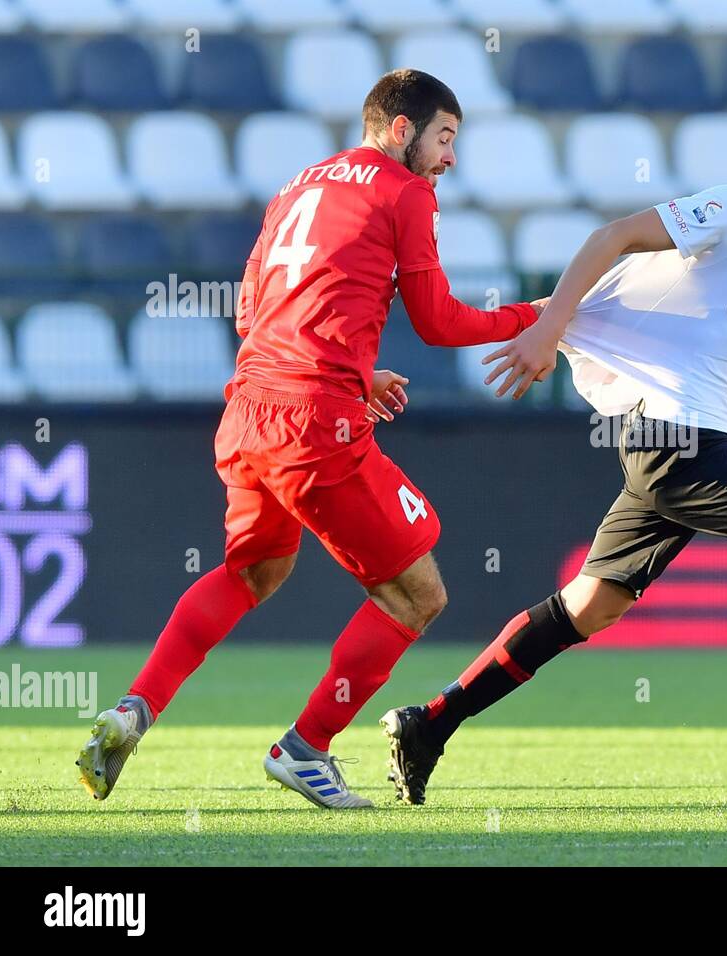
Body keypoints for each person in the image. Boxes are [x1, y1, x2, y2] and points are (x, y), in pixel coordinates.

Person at [381, 84, 727, 804]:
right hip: (681, 444)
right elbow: (610, 238)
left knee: (592, 607)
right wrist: (547, 329)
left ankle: (429, 724)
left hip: (675, 445)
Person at [76, 70, 543, 809]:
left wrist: (356, 367)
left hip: (250, 408)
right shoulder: (405, 191)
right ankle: (307, 746)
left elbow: (252, 310)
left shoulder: (298, 185)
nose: (449, 159)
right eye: (445, 138)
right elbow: (440, 322)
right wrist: (535, 316)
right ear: (401, 130)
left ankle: (133, 708)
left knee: (253, 572)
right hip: (310, 420)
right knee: (419, 593)